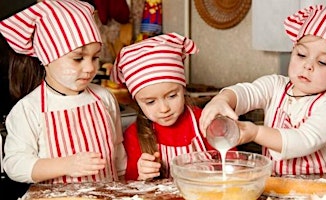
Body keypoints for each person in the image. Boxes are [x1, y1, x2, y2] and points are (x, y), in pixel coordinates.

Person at [199, 4, 326, 175]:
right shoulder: (275, 85)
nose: (308, 65)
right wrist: (222, 100)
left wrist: (256, 132)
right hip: (274, 186)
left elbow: (303, 140)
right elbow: (247, 92)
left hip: (317, 190)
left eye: (322, 62)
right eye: (301, 54)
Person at [0, 0, 126, 184]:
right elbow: (14, 164)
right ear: (46, 57)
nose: (90, 67)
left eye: (95, 57)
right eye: (78, 58)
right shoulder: (29, 109)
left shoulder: (104, 98)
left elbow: (118, 152)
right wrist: (66, 165)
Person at [111, 32, 216, 180]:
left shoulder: (205, 121)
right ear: (137, 102)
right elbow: (131, 187)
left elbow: (232, 167)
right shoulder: (134, 135)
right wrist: (142, 176)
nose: (164, 109)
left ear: (183, 88)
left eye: (172, 96)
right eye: (150, 102)